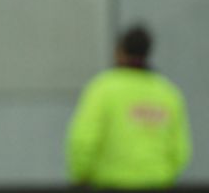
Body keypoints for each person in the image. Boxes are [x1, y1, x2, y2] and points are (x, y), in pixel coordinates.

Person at [67, 25, 192, 189]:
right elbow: (180, 151)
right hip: (157, 184)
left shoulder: (102, 89)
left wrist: (79, 176)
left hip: (109, 185)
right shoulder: (168, 93)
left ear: (119, 51)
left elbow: (83, 140)